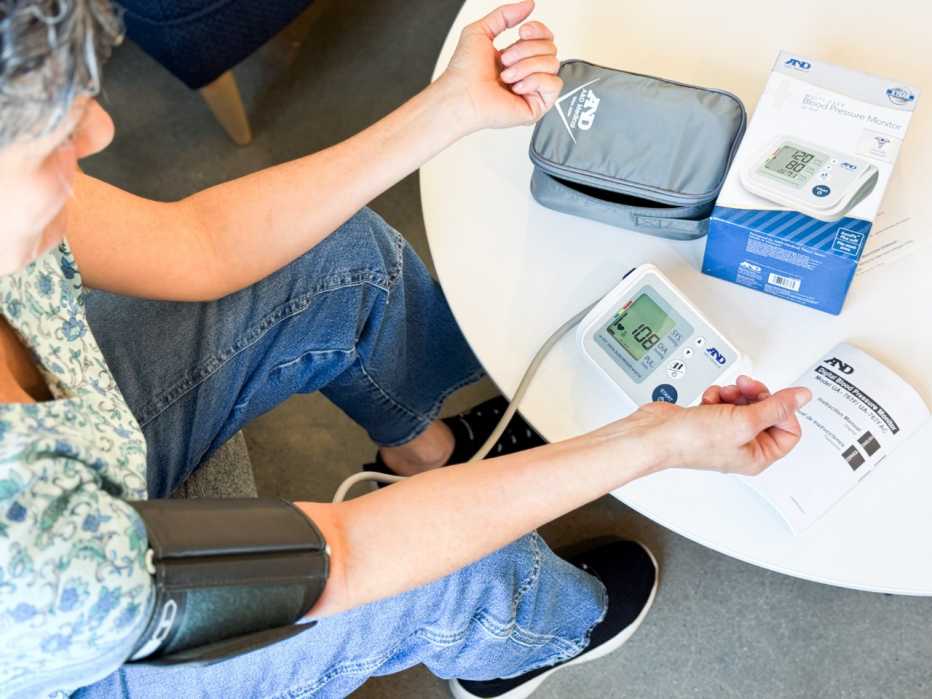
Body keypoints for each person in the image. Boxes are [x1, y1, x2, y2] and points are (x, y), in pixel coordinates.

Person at [0, 0, 812, 697]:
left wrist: (450, 107)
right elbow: (352, 553)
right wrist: (650, 441)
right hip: (80, 628)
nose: (101, 131)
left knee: (341, 262)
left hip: (79, 453)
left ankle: (426, 451)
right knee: (442, 572)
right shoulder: (36, 552)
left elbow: (198, 244)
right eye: (48, 134)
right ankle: (531, 636)